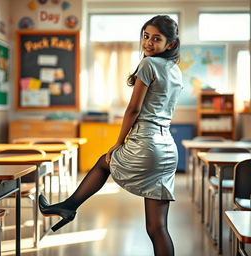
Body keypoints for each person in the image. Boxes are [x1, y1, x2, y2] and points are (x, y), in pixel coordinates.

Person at [39, 14, 183, 256]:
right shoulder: (175, 70)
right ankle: (68, 206)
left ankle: (69, 206)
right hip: (167, 148)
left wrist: (119, 143)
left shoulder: (148, 65)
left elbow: (133, 109)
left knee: (104, 161)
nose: (148, 42)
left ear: (170, 44)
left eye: (156, 39)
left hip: (146, 141)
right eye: (145, 36)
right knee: (157, 227)